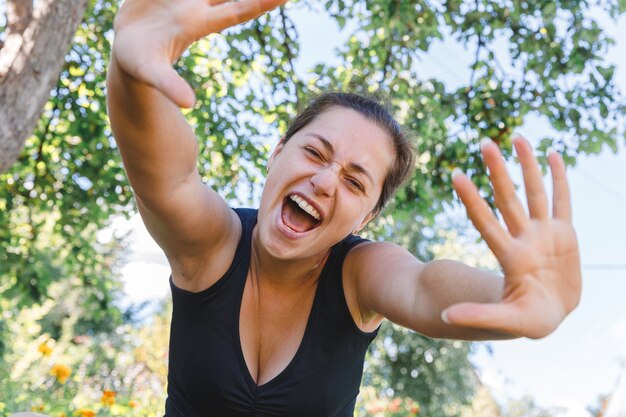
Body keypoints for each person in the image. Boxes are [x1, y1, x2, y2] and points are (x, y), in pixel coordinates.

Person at [105, 0, 582, 416]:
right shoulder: (214, 244)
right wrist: (131, 73)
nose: (325, 181)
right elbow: (168, 178)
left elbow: (421, 287)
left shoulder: (359, 274)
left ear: (367, 217)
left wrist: (512, 298)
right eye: (314, 152)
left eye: (355, 182)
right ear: (278, 153)